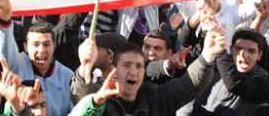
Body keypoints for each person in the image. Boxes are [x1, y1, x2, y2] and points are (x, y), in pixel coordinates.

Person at [72, 27, 226, 115]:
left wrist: (207, 56)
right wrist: (86, 66)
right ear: (115, 68)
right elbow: (81, 100)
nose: (133, 72)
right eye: (126, 65)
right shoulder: (99, 101)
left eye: (139, 66)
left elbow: (187, 85)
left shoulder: (153, 97)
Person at [0, 0, 75, 115]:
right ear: (26, 46)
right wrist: (5, 17)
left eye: (46, 44)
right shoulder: (17, 64)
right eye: (36, 44)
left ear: (54, 46)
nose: (41, 50)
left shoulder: (67, 76)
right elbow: (5, 47)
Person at [192, 29, 269, 115]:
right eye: (239, 49)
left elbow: (234, 83)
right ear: (231, 49)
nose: (244, 55)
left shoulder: (264, 81)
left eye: (251, 51)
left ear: (259, 55)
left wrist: (221, 51)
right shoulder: (218, 68)